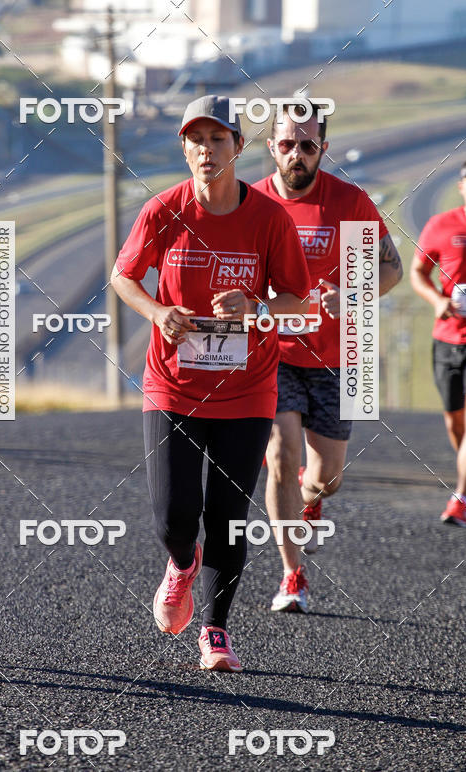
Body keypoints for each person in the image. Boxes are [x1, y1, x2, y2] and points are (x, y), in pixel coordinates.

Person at [110, 95, 310, 670]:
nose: (206, 149)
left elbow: (299, 304)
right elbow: (123, 277)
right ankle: (180, 565)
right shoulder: (162, 211)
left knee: (227, 514)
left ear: (239, 148)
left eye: (218, 139)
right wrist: (156, 312)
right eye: (196, 140)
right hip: (172, 384)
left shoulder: (269, 218)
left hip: (247, 389)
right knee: (174, 517)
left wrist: (256, 306)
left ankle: (216, 630)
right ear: (184, 148)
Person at [253, 102, 403, 612]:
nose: (297, 154)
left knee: (327, 477)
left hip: (342, 357)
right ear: (271, 146)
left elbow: (391, 268)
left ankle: (311, 499)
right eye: (287, 144)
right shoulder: (251, 202)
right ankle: (292, 574)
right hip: (274, 353)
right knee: (280, 454)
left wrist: (355, 294)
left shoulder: (350, 201)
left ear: (324, 150)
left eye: (308, 145)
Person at [410, 153, 466, 527]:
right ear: (462, 187)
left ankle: (459, 499)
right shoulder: (440, 225)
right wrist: (436, 300)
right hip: (448, 340)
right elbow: (418, 272)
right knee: (456, 423)